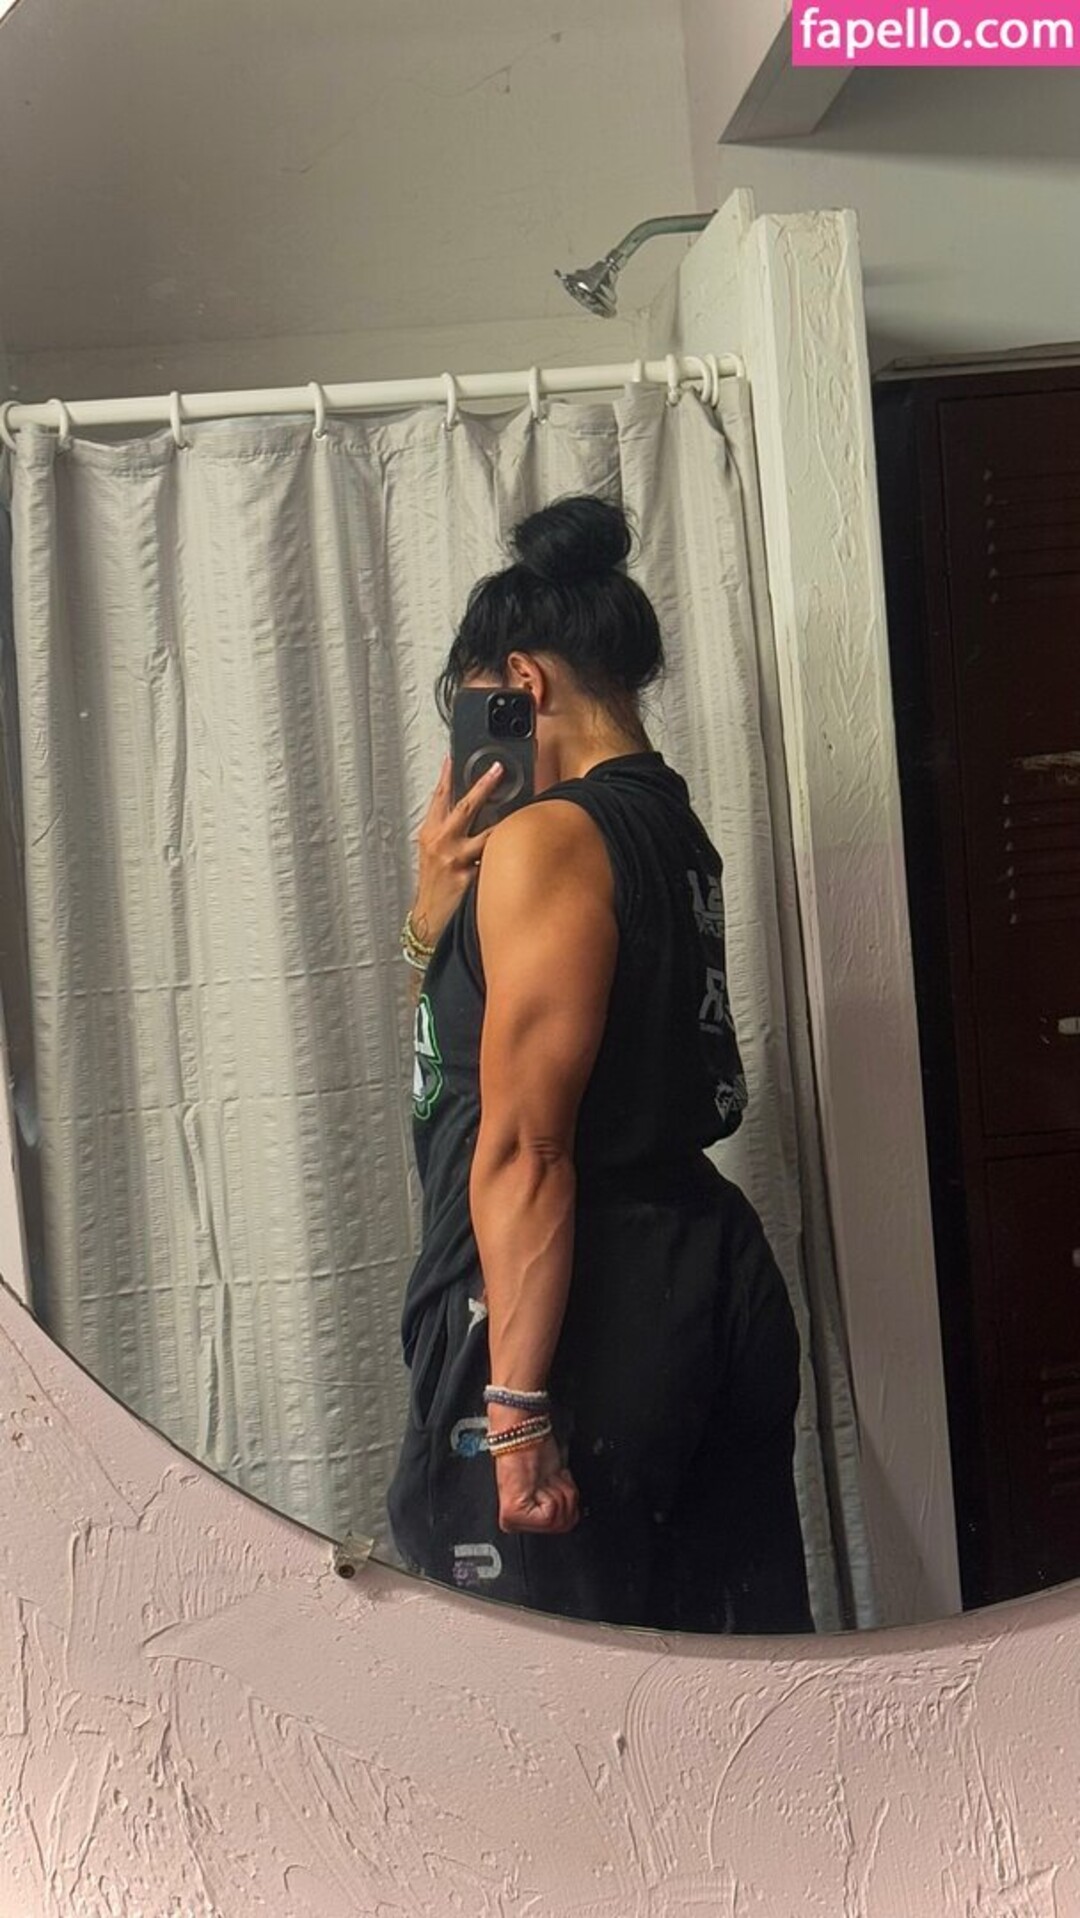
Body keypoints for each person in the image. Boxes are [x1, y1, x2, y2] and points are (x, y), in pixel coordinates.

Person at [386, 495, 813, 1634]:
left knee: (544, 1686)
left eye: (474, 706)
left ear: (521, 684)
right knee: (731, 1668)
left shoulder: (550, 839)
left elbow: (529, 1143)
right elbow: (473, 1061)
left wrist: (517, 1412)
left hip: (580, 1305)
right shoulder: (672, 829)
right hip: (697, 1269)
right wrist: (429, 922)